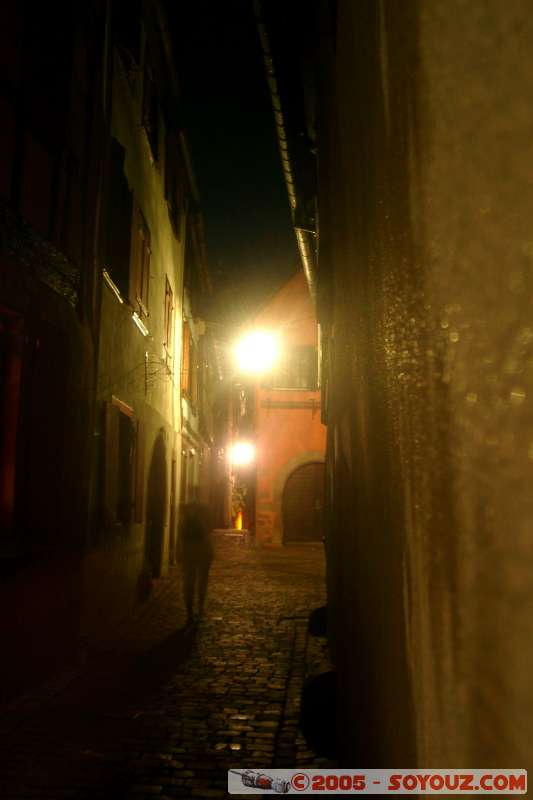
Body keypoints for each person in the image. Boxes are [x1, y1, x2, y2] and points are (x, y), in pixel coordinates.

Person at [179, 498, 214, 625]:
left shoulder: (184, 520)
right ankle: (199, 607)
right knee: (201, 581)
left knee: (189, 582)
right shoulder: (204, 516)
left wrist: (180, 553)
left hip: (190, 552)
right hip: (203, 551)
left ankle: (190, 611)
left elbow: (181, 537)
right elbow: (209, 533)